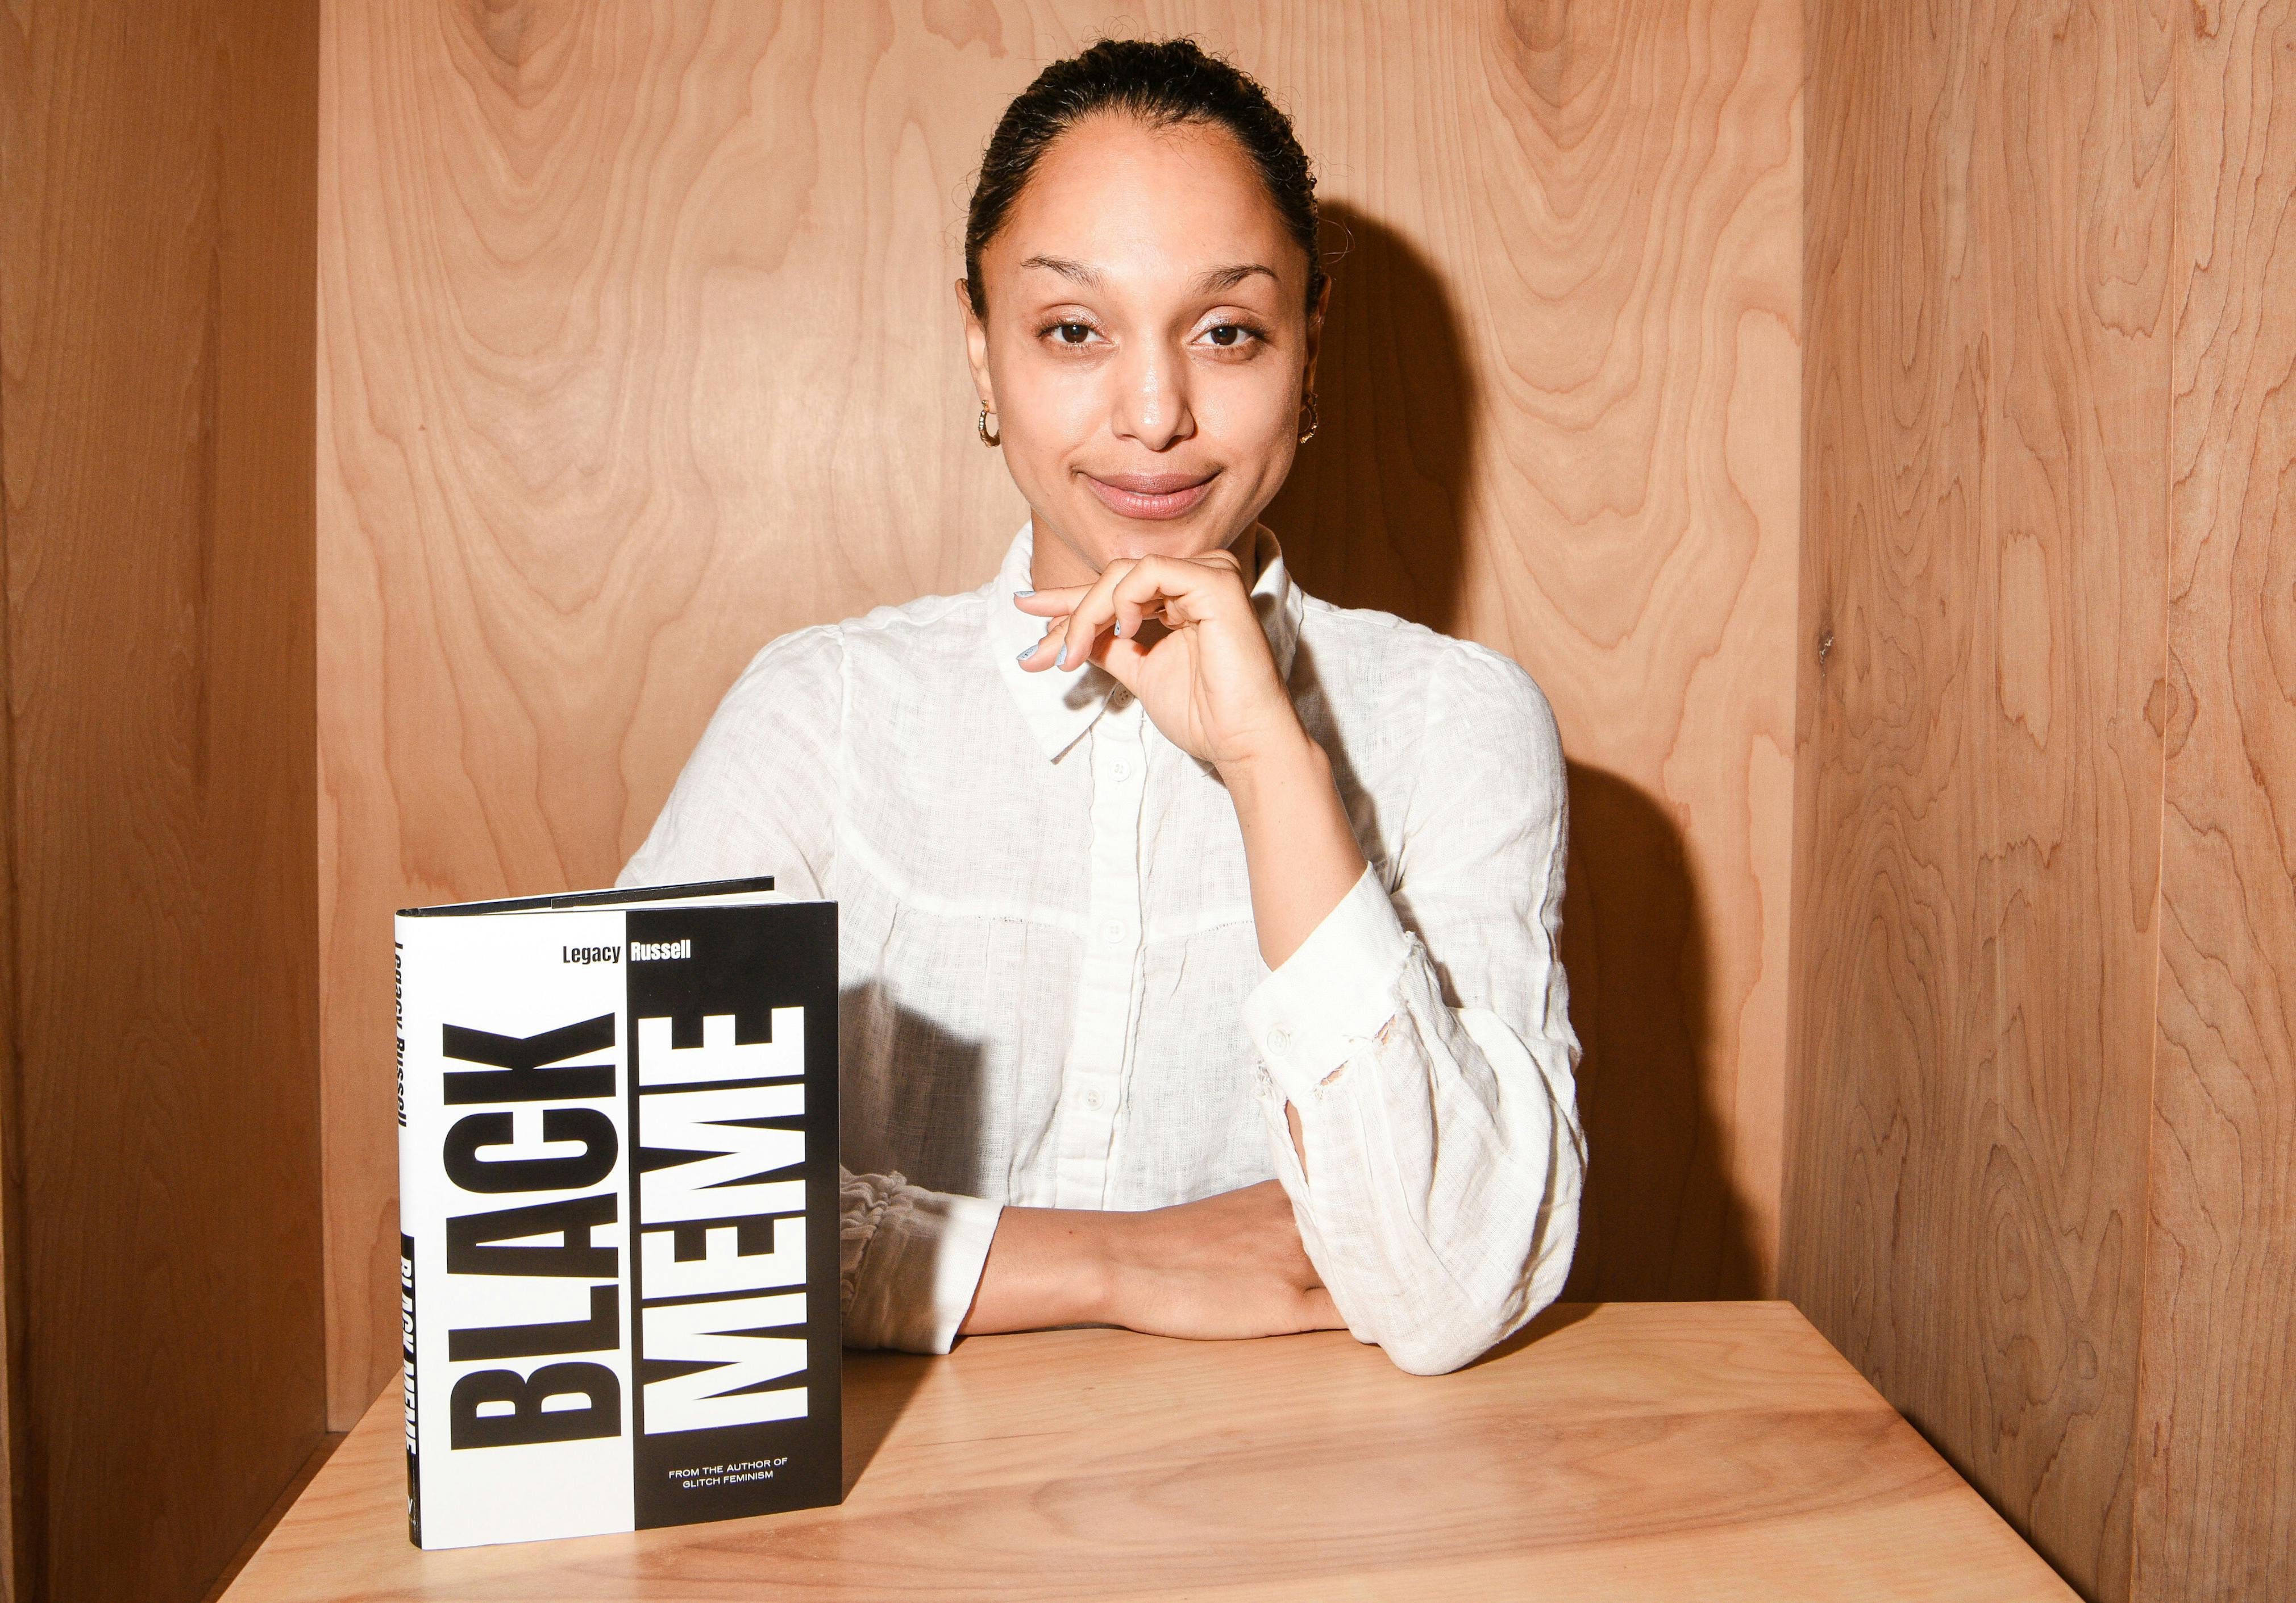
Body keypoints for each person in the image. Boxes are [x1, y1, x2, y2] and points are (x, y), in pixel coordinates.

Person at [618, 36, 1584, 1377]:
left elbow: (1443, 1281)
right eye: (1073, 329)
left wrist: (1266, 758)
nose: (1153, 414)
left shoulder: (1456, 727)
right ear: (980, 351)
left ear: (1307, 359)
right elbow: (630, 1226)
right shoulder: (820, 717)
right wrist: (1120, 1262)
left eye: (1227, 331)